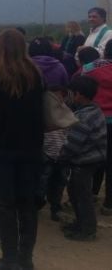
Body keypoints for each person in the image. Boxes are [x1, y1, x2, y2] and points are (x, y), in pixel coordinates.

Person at [0, 29, 44, 270]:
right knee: (27, 204)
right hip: (31, 148)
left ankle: (9, 258)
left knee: (5, 204)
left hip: (0, 149)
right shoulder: (35, 74)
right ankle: (26, 259)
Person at [60, 76, 107, 241]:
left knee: (81, 196)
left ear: (78, 94)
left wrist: (60, 157)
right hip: (91, 159)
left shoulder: (82, 118)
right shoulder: (94, 110)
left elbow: (73, 145)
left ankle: (87, 230)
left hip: (84, 162)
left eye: (71, 93)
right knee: (75, 192)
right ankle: (80, 223)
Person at [29, 37, 69, 221]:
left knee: (37, 169)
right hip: (55, 121)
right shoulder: (59, 66)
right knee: (58, 172)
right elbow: (65, 88)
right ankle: (55, 206)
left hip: (34, 121)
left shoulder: (26, 67)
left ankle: (35, 201)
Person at [81, 40, 112, 215]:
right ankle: (109, 203)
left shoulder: (90, 68)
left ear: (105, 51)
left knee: (94, 159)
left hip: (95, 119)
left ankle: (91, 194)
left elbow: (80, 87)